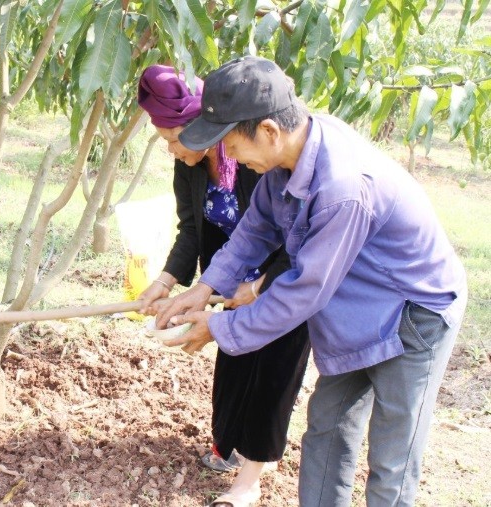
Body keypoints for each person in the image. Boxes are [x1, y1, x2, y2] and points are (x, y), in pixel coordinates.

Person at [155, 56, 467, 506]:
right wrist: (205, 288)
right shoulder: (288, 156)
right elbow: (256, 229)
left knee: (392, 456)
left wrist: (220, 327)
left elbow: (305, 290)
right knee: (328, 428)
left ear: (268, 131)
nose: (231, 158)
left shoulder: (342, 188)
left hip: (413, 313)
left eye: (233, 146)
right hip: (354, 307)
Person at [136, 65, 310, 507]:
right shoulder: (190, 166)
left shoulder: (257, 160)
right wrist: (166, 282)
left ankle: (252, 475)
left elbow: (294, 238)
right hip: (228, 276)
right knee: (234, 359)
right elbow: (192, 230)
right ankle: (229, 442)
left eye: (174, 138)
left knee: (273, 368)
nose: (172, 150)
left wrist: (261, 284)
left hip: (285, 274)